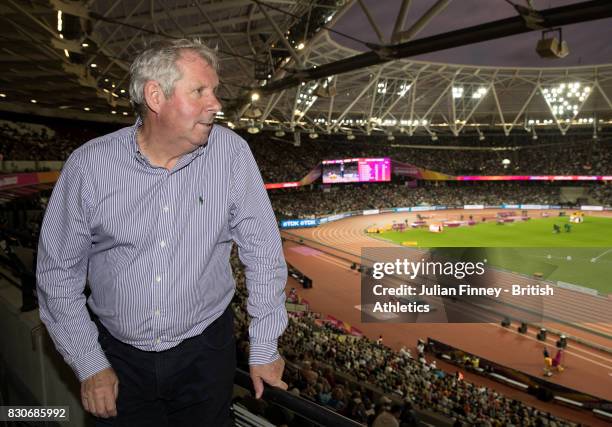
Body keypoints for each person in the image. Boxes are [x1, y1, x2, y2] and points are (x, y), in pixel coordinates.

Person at [36, 38, 288, 426]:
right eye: (200, 91)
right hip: (117, 358)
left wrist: (265, 345)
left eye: (215, 91)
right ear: (156, 96)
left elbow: (264, 252)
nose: (216, 103)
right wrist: (89, 362)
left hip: (206, 351)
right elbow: (57, 274)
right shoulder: (89, 167)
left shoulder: (232, 155)